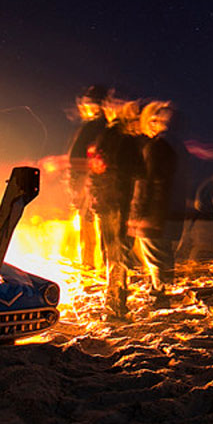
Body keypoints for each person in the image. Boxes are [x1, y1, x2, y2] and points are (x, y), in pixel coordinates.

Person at [88, 96, 144, 318]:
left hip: (109, 202)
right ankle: (115, 304)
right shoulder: (122, 139)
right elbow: (135, 171)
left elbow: (97, 170)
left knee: (115, 254)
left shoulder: (110, 136)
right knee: (117, 255)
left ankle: (116, 301)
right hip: (115, 203)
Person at [128, 101, 187, 307]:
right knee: (161, 255)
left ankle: (159, 296)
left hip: (153, 214)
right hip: (170, 211)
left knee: (154, 257)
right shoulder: (177, 146)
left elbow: (147, 183)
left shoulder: (156, 147)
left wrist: (137, 213)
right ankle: (159, 290)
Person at [65, 85, 108, 269]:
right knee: (94, 223)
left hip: (90, 184)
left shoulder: (94, 127)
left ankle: (90, 264)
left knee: (90, 222)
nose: (84, 107)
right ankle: (96, 264)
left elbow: (78, 159)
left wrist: (76, 184)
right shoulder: (103, 127)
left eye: (88, 104)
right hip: (94, 184)